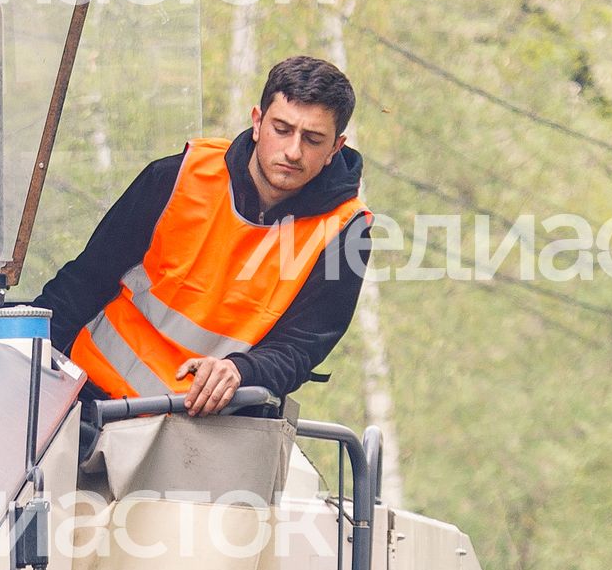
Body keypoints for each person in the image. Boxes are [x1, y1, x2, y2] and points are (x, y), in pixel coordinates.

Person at [31, 56, 371, 418]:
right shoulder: (178, 177)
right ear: (257, 122)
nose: (293, 151)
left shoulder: (346, 231)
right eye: (282, 129)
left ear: (336, 148)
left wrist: (241, 370)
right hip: (89, 399)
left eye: (313, 139)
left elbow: (300, 348)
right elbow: (84, 282)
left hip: (203, 427)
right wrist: (25, 352)